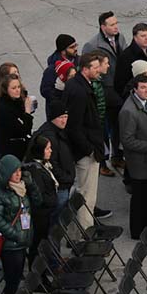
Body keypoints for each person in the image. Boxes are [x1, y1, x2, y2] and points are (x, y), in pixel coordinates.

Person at [0, 154, 38, 294]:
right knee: (13, 280)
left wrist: (32, 186)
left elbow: (38, 202)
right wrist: (16, 235)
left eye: (19, 171)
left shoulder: (22, 187)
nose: (18, 174)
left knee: (16, 278)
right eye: (14, 172)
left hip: (23, 240)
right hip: (11, 245)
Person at [64, 52, 109, 225]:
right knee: (86, 196)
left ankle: (80, 233)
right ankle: (83, 236)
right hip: (85, 152)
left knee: (85, 194)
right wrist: (89, 150)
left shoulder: (76, 85)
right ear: (85, 69)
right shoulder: (80, 92)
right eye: (95, 68)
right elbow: (74, 126)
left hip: (85, 148)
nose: (99, 71)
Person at [82, 12, 126, 173]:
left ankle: (117, 156)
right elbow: (86, 69)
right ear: (103, 27)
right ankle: (101, 163)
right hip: (103, 89)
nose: (116, 27)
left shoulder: (120, 38)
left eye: (116, 23)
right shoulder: (92, 45)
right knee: (102, 128)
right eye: (112, 25)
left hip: (117, 89)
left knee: (118, 124)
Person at [120, 74, 147, 239]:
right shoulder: (128, 111)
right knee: (140, 201)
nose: (146, 90)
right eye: (143, 87)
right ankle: (138, 232)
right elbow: (127, 140)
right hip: (140, 164)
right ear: (135, 89)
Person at [33, 100, 75, 224]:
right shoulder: (50, 136)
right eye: (60, 117)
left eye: (66, 117)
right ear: (53, 117)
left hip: (62, 182)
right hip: (59, 185)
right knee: (56, 218)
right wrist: (67, 178)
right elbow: (52, 165)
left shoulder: (57, 131)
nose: (64, 120)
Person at [22, 135, 58, 268]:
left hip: (43, 214)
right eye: (48, 148)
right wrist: (53, 201)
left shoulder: (40, 166)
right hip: (40, 216)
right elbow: (40, 196)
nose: (50, 151)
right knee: (38, 246)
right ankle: (38, 274)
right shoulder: (35, 170)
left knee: (40, 245)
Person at [0, 73, 34, 160]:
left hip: (17, 147)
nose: (17, 90)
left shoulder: (17, 101)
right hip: (9, 150)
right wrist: (27, 111)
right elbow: (24, 130)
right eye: (13, 88)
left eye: (18, 87)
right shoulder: (4, 109)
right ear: (6, 90)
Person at [115, 23, 147, 97]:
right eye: (143, 36)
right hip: (135, 96)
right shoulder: (126, 56)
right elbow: (120, 83)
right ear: (135, 37)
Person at [40, 33, 78, 102]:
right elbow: (45, 90)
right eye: (72, 47)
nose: (76, 49)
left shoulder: (79, 62)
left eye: (76, 45)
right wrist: (60, 97)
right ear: (63, 51)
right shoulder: (52, 69)